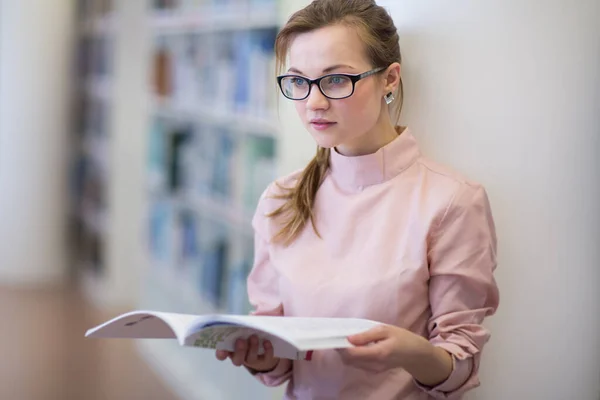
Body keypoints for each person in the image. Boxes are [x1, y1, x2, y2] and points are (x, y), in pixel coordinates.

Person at [216, 0, 500, 398]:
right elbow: (279, 352)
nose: (313, 102)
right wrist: (261, 356)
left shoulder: (452, 202)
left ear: (390, 79)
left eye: (335, 80)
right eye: (298, 81)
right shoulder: (280, 199)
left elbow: (460, 367)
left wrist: (412, 352)